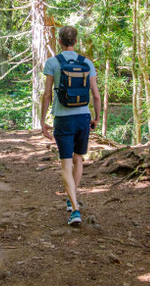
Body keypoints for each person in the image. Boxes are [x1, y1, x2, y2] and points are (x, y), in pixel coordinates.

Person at [41, 26, 101, 226]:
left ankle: (75, 209)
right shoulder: (87, 63)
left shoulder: (53, 62)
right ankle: (71, 198)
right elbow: (96, 95)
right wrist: (96, 118)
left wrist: (43, 120)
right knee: (79, 159)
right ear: (76, 41)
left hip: (63, 118)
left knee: (66, 163)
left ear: (59, 41)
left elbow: (47, 94)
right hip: (83, 117)